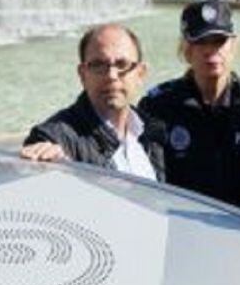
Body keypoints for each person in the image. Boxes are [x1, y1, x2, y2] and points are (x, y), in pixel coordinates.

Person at [140, 0, 240, 215]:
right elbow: (148, 179)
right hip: (182, 230)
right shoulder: (160, 106)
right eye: (201, 42)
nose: (211, 51)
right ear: (185, 50)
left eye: (219, 41)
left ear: (233, 45)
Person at [20, 23, 164, 180]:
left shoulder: (154, 131)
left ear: (140, 74)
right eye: (98, 65)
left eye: (122, 64)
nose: (111, 75)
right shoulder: (56, 138)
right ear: (82, 75)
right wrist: (56, 168)